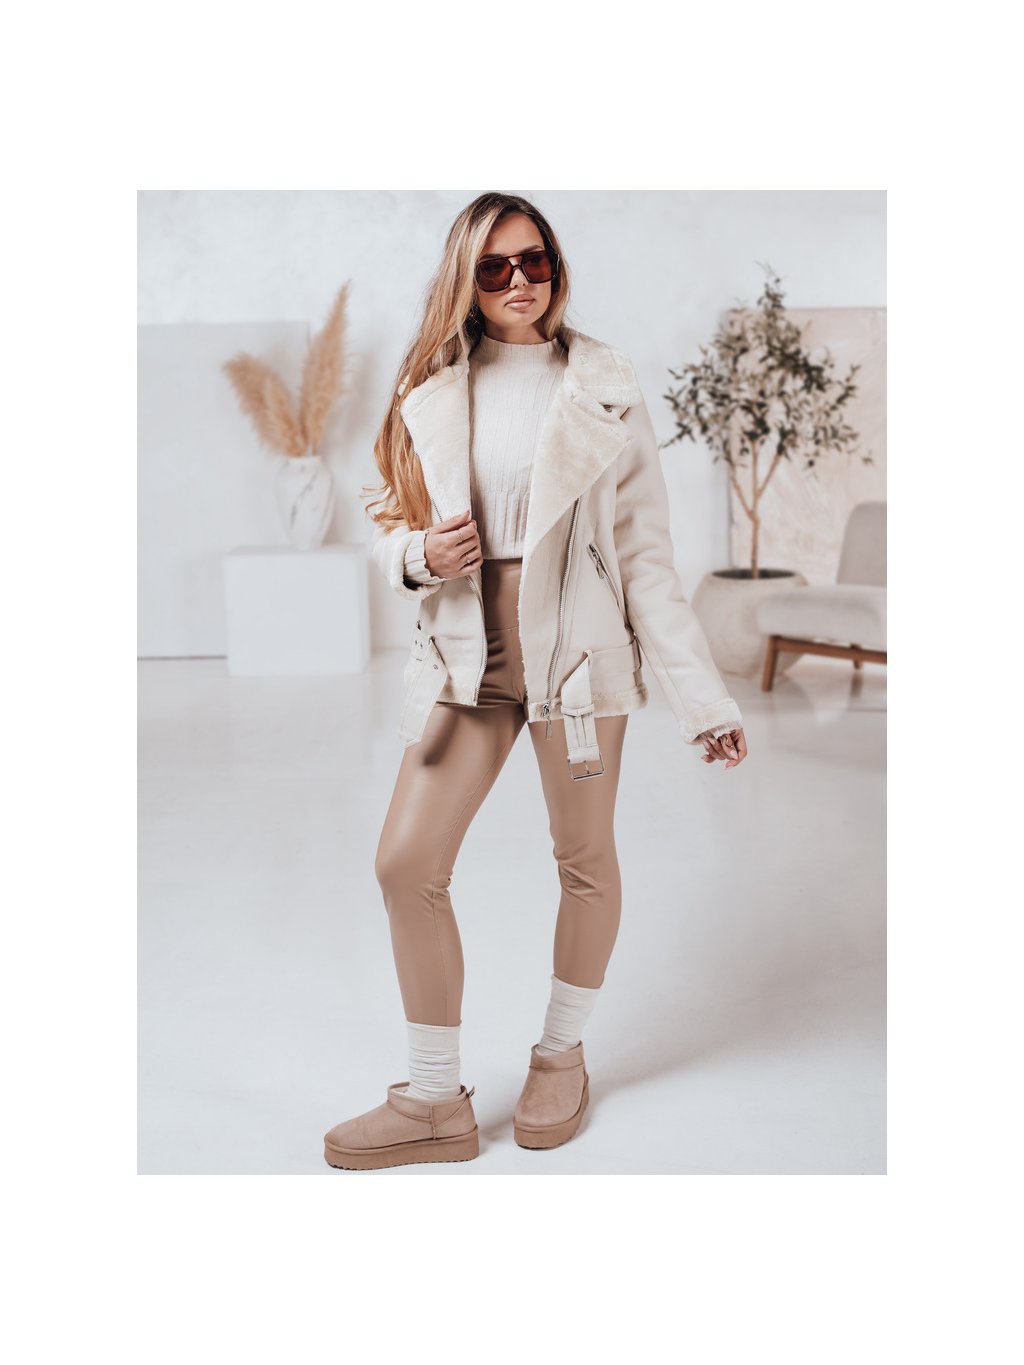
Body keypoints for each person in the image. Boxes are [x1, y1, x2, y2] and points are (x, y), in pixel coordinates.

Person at [324, 192, 749, 1171]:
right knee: (405, 863)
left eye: (535, 260)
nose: (519, 280)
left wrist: (706, 704)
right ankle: (434, 1099)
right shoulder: (429, 387)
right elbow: (380, 523)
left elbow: (647, 562)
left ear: (555, 265)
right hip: (465, 657)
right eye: (495, 267)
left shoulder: (603, 384)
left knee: (583, 859)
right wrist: (418, 556)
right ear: (465, 281)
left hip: (579, 659)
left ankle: (561, 1055)